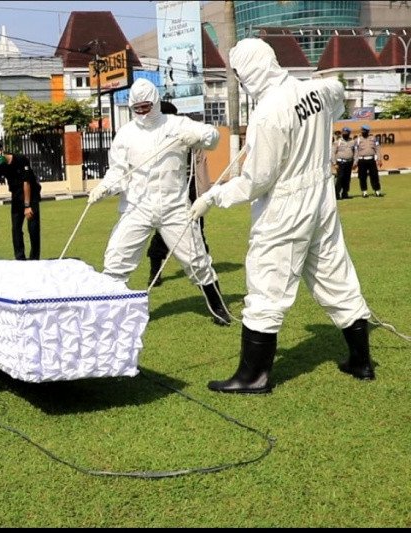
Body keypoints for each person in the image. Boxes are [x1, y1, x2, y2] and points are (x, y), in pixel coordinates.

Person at [190, 38, 374, 394]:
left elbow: (257, 181)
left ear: (251, 71)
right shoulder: (316, 90)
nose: (242, 82)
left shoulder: (268, 113)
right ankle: (361, 360)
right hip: (321, 198)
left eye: (241, 75)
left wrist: (213, 196)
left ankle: (253, 376)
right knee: (334, 273)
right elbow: (337, 92)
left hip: (286, 207)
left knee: (267, 283)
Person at [87, 78, 232, 327]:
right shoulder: (125, 134)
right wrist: (104, 188)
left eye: (146, 106)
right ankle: (108, 312)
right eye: (138, 108)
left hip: (175, 206)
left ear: (155, 102)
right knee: (116, 259)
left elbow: (213, 137)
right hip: (137, 206)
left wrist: (196, 136)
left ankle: (218, 305)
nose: (143, 112)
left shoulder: (176, 124)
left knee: (196, 259)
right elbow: (118, 172)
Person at [146, 101, 212, 287]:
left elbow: (201, 162)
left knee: (197, 228)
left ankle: (204, 270)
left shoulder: (189, 133)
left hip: (190, 189)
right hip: (167, 193)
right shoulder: (154, 140)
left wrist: (204, 195)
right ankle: (155, 272)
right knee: (162, 233)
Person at [0, 140, 41, 260]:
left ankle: (34, 258)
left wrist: (27, 206)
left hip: (30, 195)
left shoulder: (20, 159)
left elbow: (27, 182)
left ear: (1, 150)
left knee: (33, 228)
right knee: (16, 228)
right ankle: (20, 258)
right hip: (16, 196)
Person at [354, 124, 383, 197]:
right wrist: (355, 162)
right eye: (362, 130)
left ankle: (377, 191)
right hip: (362, 160)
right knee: (362, 176)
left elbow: (378, 149)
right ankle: (364, 192)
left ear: (368, 131)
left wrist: (379, 159)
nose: (363, 132)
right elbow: (356, 152)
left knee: (374, 176)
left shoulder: (374, 138)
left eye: (365, 131)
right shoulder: (358, 139)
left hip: (371, 160)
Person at [332, 126, 355, 200]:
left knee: (347, 178)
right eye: (344, 132)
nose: (345, 134)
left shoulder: (352, 141)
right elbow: (333, 153)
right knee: (340, 178)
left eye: (347, 133)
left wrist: (355, 162)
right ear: (342, 133)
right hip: (340, 163)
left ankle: (345, 193)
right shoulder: (337, 142)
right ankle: (336, 194)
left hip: (349, 162)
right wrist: (334, 163)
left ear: (349, 133)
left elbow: (355, 152)